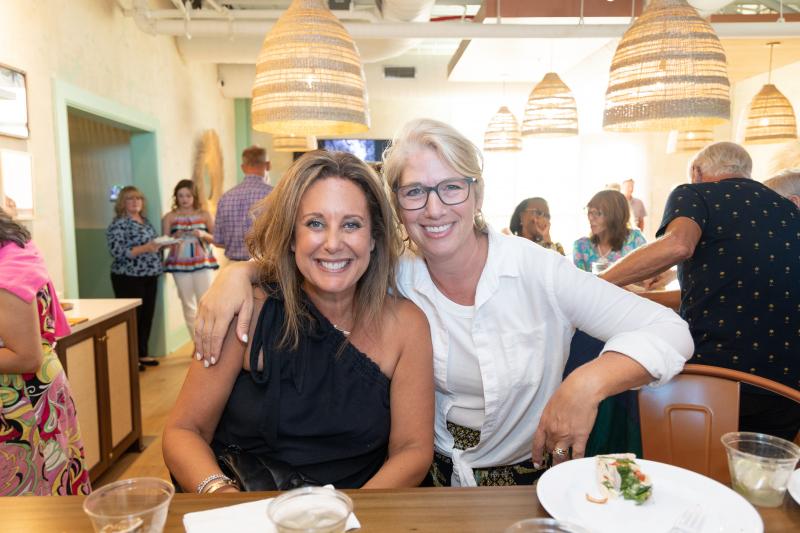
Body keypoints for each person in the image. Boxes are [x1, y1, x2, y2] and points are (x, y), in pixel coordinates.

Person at [192, 118, 693, 487]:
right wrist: (239, 273)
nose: (434, 209)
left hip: (526, 481)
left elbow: (671, 331)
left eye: (451, 187)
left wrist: (585, 384)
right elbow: (322, 260)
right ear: (396, 206)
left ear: (477, 195)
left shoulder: (538, 270)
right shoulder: (395, 274)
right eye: (414, 192)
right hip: (425, 483)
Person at [163, 150, 433, 492]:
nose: (333, 244)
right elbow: (184, 431)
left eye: (351, 224)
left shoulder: (406, 326)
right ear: (292, 237)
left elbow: (412, 450)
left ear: (374, 238)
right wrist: (221, 495)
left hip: (360, 509)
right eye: (315, 223)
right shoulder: (246, 312)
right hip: (248, 507)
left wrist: (346, 513)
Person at [601, 142, 800, 441]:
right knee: (753, 469)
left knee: (628, 383)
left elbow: (678, 245)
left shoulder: (694, 193)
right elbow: (727, 292)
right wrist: (642, 297)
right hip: (787, 390)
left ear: (696, 171)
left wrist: (597, 283)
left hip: (715, 380)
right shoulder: (787, 208)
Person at [0, 207, 91, 495]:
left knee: (36, 499)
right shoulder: (12, 246)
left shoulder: (7, 268)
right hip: (27, 392)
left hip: (19, 402)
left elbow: (25, 356)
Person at [106, 186, 165, 370]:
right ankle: (130, 358)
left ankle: (142, 353)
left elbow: (153, 244)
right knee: (132, 319)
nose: (135, 202)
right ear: (122, 203)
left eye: (138, 198)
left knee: (146, 316)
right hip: (128, 277)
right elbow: (117, 252)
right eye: (130, 198)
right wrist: (147, 247)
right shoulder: (118, 224)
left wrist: (161, 244)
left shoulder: (145, 221)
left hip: (150, 274)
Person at [162, 179, 218, 337]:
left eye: (188, 195)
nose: (184, 199)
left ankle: (209, 338)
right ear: (176, 197)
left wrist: (203, 234)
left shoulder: (205, 215)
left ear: (194, 196)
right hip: (179, 265)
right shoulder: (170, 217)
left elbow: (217, 239)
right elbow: (164, 244)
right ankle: (197, 341)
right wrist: (174, 237)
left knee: (206, 303)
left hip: (203, 263)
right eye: (180, 196)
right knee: (188, 305)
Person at [213, 145, 273, 262]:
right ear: (268, 165)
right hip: (265, 266)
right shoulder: (275, 195)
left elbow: (218, 241)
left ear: (243, 167)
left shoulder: (225, 198)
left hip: (233, 267)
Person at [572, 189, 646, 274]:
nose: (590, 218)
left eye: (597, 213)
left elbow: (648, 275)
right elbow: (578, 281)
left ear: (616, 215)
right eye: (590, 212)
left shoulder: (635, 240)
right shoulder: (581, 246)